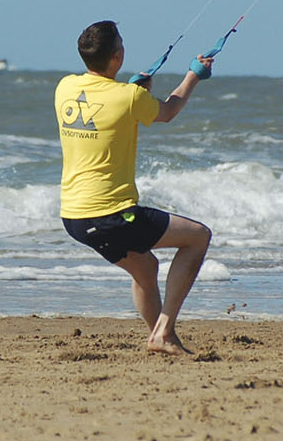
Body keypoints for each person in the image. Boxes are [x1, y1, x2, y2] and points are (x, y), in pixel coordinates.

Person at [55, 20, 215, 355]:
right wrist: (193, 76)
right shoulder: (127, 97)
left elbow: (106, 105)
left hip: (73, 217)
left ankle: (162, 337)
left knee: (146, 267)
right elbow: (168, 111)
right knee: (198, 236)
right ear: (116, 57)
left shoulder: (64, 88)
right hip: (112, 213)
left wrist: (134, 90)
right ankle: (163, 332)